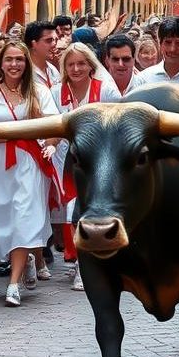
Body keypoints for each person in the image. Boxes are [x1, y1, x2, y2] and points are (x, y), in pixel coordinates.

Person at [0, 42, 61, 307]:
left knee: (25, 215)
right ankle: (25, 259)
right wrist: (20, 130)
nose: (14, 65)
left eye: (19, 60)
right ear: (0, 64)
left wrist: (49, 143)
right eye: (9, 60)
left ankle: (13, 285)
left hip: (30, 162)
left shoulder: (39, 91)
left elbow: (55, 126)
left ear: (26, 63)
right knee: (3, 219)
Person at [51, 43, 121, 291]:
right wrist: (51, 144)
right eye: (71, 64)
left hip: (98, 163)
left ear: (91, 65)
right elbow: (51, 126)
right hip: (67, 161)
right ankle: (80, 261)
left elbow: (118, 126)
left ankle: (84, 266)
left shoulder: (107, 91)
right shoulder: (55, 92)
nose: (76, 68)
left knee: (84, 211)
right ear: (64, 67)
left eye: (81, 63)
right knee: (71, 210)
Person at [24, 21, 60, 89]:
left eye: (56, 40)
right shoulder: (23, 71)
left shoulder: (52, 69)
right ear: (33, 44)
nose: (54, 44)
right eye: (49, 40)